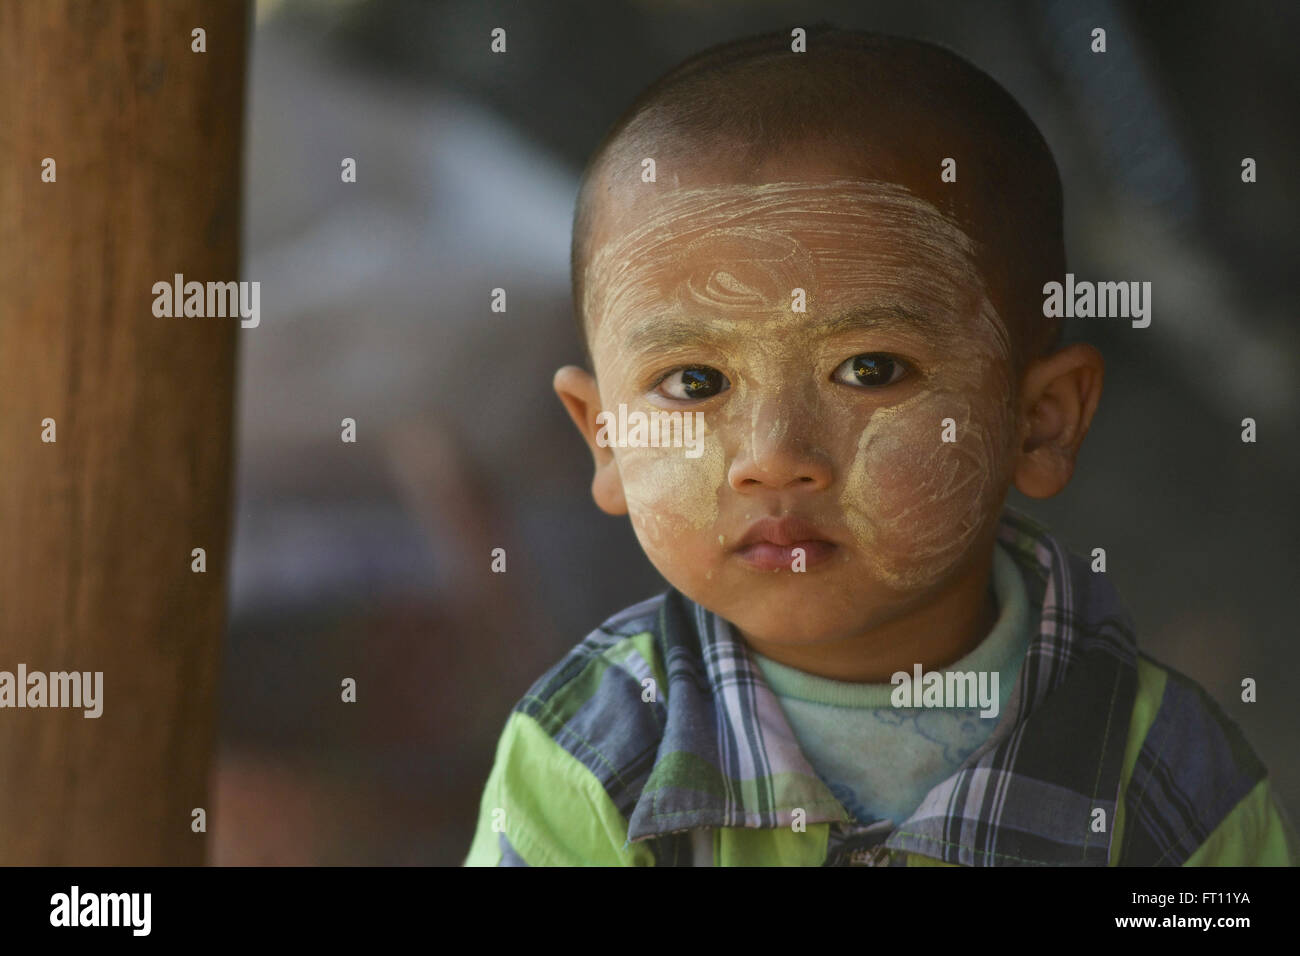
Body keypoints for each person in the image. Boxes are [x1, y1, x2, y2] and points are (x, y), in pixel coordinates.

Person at [464, 24, 1298, 866]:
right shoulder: (582, 760)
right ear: (605, 437)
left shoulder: (1165, 777)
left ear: (1038, 421)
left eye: (869, 369)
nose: (773, 455)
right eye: (693, 383)